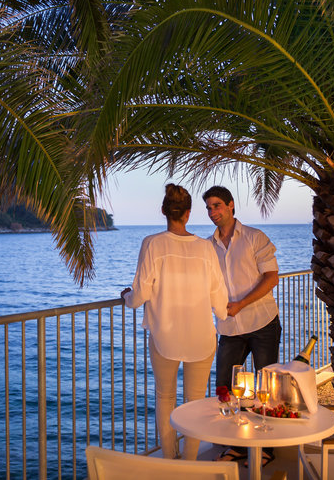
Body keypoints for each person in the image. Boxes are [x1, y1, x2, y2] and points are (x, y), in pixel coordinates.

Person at [121, 184, 228, 460]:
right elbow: (219, 296)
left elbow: (140, 294)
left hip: (164, 336)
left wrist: (127, 298)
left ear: (163, 211)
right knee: (196, 401)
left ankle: (169, 457)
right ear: (188, 214)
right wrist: (223, 314)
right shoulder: (206, 248)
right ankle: (190, 461)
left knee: (165, 397)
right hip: (201, 336)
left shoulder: (153, 244)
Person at [204, 185, 280, 466]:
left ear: (231, 205)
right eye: (209, 207)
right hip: (229, 327)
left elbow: (272, 277)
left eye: (217, 205)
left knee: (266, 387)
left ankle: (267, 448)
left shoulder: (254, 237)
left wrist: (241, 304)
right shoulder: (207, 246)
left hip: (262, 322)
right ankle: (234, 445)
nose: (212, 212)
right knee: (223, 386)